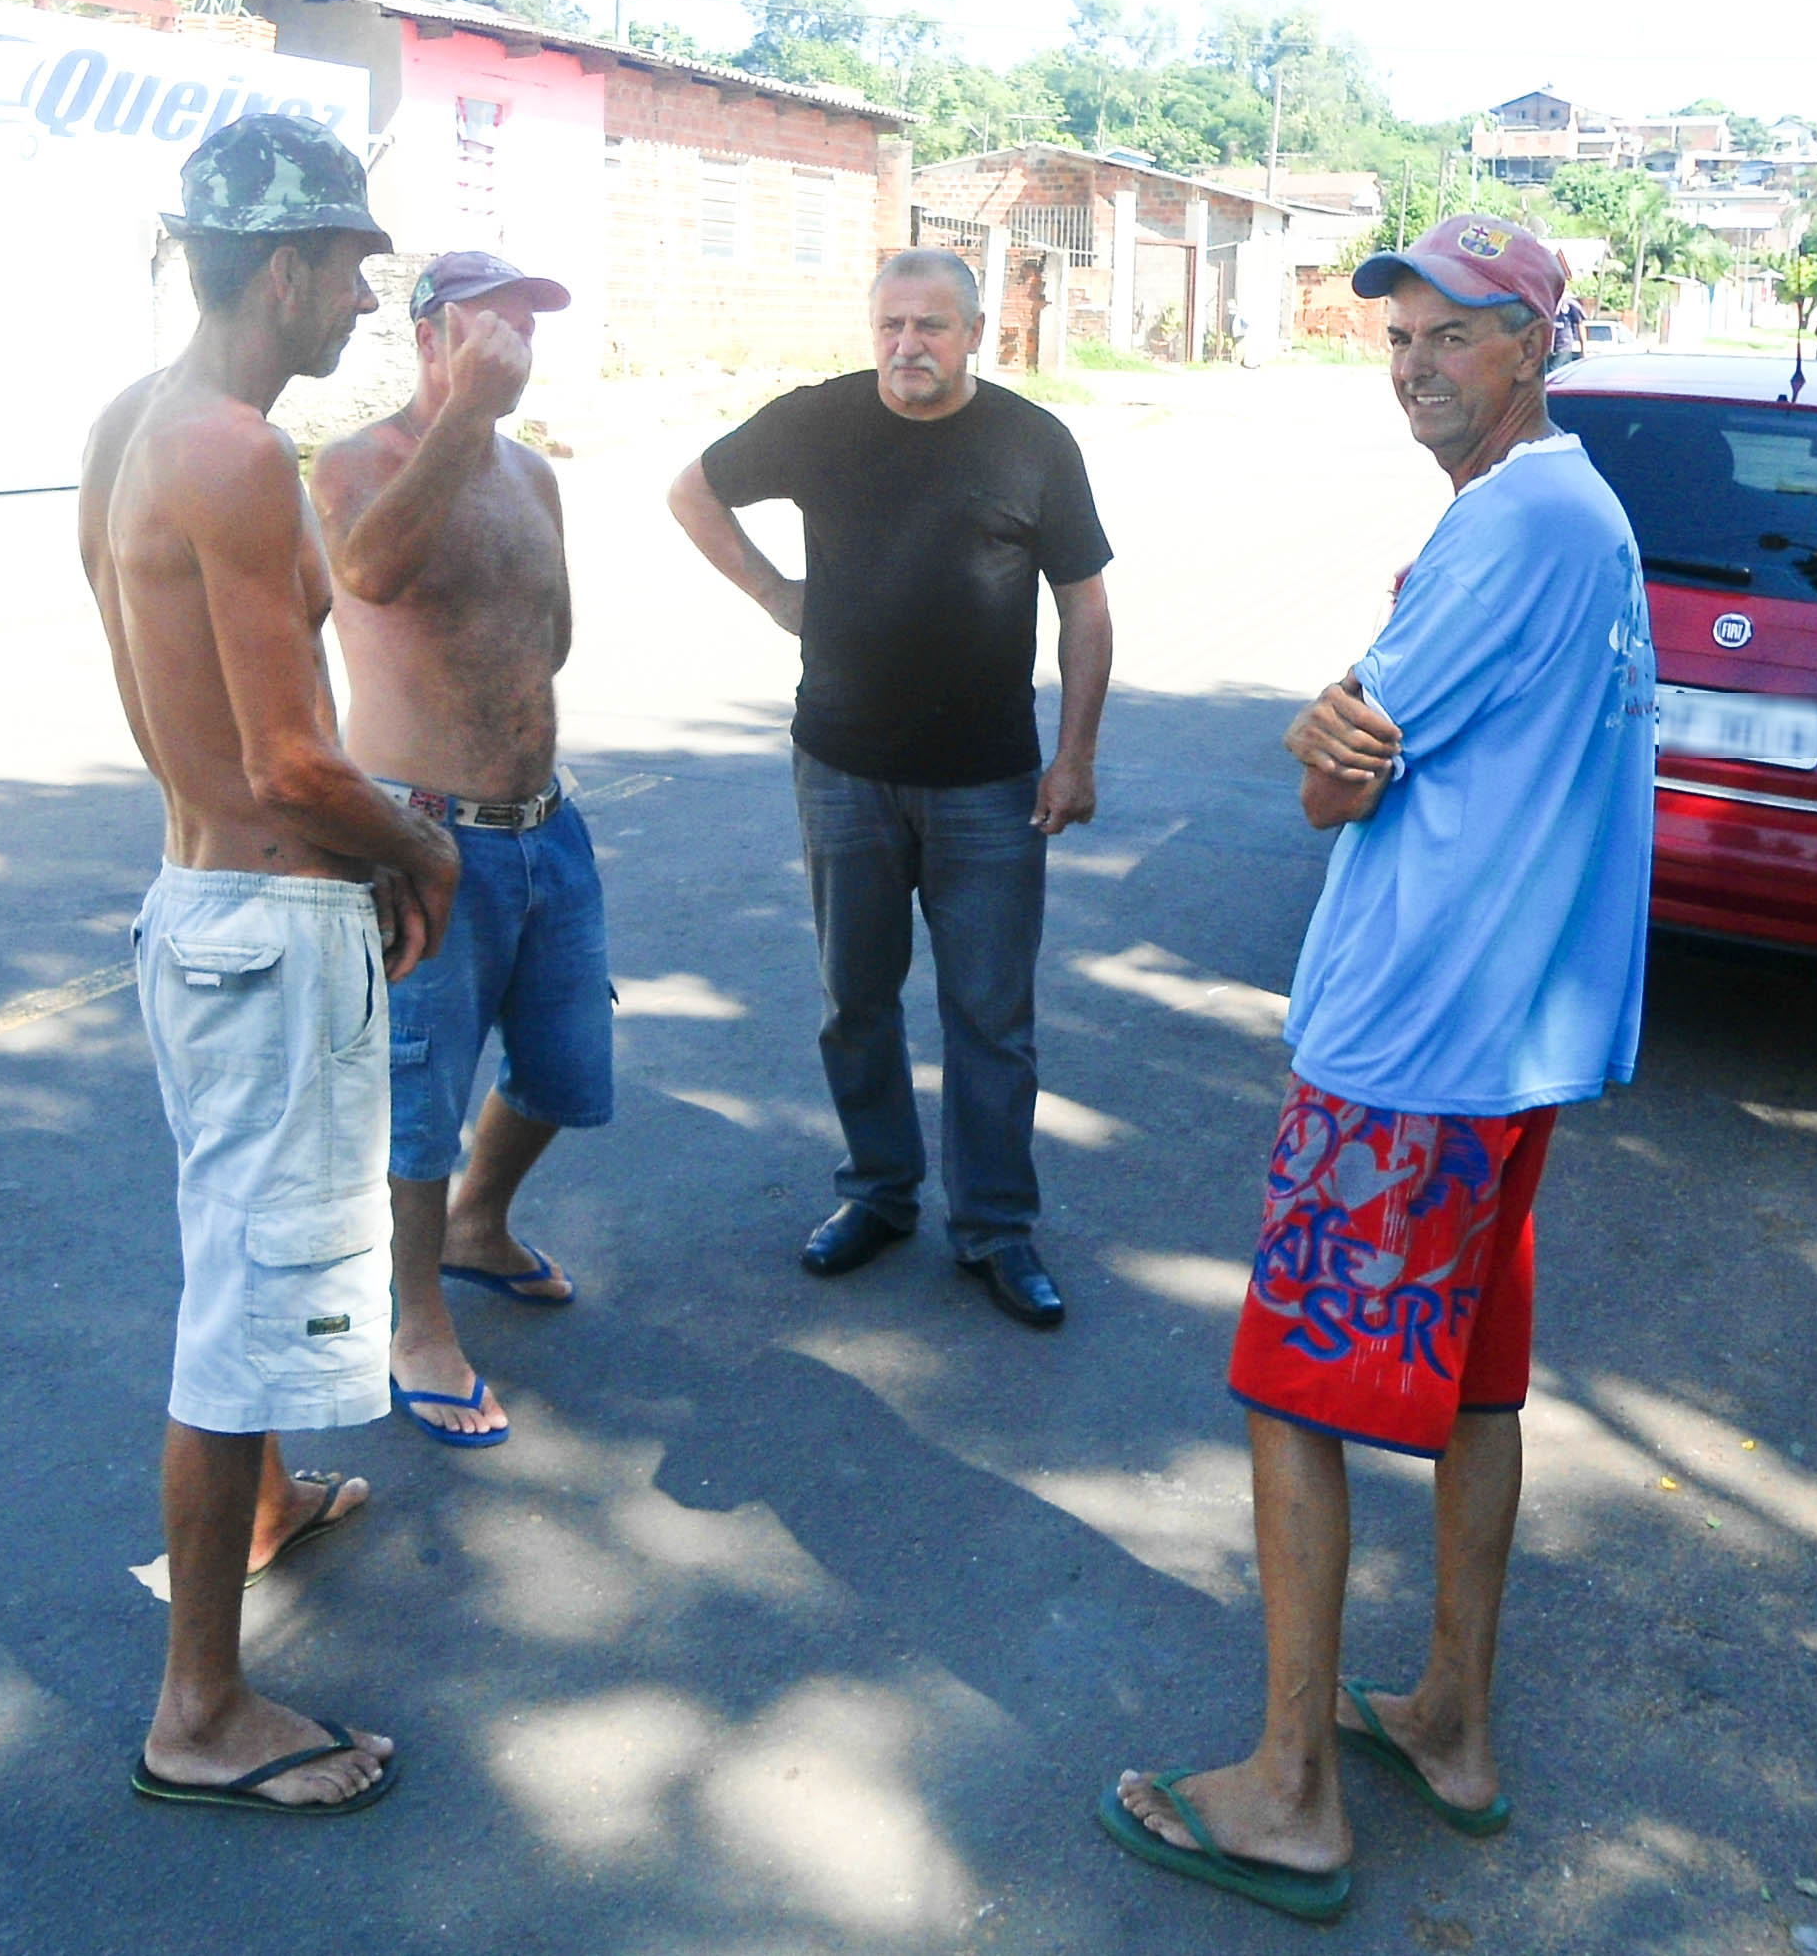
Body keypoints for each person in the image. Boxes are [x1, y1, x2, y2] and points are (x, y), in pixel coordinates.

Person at [1097, 214, 1656, 1919]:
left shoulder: (1519, 523)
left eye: (1456, 336)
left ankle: (1286, 1794)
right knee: (1475, 1388)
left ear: (1538, 347)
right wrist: (1345, 714)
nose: (1416, 366)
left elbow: (1341, 775)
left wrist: (1330, 728)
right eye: (1400, 337)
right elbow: (1387, 729)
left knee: (1294, 1397)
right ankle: (1455, 1722)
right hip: (1504, 1039)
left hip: (1413, 1045)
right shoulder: (1569, 513)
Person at [79, 114, 459, 1813]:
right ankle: (201, 1712)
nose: (362, 303)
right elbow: (297, 758)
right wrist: (418, 844)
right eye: (354, 271)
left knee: (260, 1254)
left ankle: (270, 1501)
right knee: (239, 1311)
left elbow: (177, 723)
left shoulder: (129, 427)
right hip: (258, 919)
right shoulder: (232, 450)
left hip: (201, 900)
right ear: (290, 265)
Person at [667, 249, 1115, 1328]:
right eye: (889, 328)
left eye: (929, 327)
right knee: (854, 1002)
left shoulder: (1032, 442)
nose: (906, 348)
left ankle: (995, 1226)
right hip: (843, 768)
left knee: (991, 1016)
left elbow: (1085, 610)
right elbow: (691, 490)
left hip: (990, 782)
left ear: (974, 335)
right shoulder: (819, 422)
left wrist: (1076, 754)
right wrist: (775, 591)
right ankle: (878, 1193)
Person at [309, 252, 609, 1448]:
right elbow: (370, 571)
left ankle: (480, 1225)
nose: (514, 349)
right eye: (490, 328)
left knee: (565, 1065)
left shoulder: (534, 473)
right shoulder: (357, 466)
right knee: (419, 1097)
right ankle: (418, 1316)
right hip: (420, 838)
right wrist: (465, 419)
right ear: (429, 338)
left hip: (545, 824)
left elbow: (554, 633)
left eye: (529, 329)